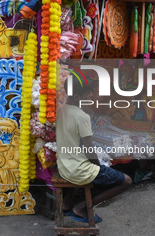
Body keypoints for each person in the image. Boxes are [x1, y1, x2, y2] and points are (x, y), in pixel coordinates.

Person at [56, 73, 132, 223]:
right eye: (88, 93)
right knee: (127, 181)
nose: (91, 95)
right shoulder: (82, 117)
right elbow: (89, 152)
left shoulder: (61, 110)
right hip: (78, 170)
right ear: (78, 96)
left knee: (82, 165)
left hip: (64, 166)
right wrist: (99, 166)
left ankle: (67, 204)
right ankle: (82, 207)